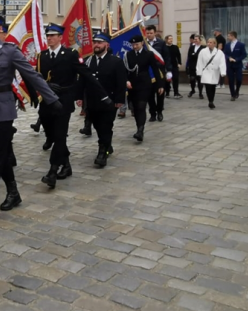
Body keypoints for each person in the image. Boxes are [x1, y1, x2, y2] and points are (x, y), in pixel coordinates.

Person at [0, 12, 59, 216]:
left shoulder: (10, 51)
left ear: (0, 29)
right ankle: (13, 193)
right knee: (2, 155)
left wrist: (51, 99)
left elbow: (31, 75)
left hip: (4, 109)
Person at [35, 23, 110, 189]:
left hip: (64, 99)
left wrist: (103, 94)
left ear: (60, 37)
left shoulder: (70, 54)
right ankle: (67, 165)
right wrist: (44, 87)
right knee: (53, 136)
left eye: (53, 36)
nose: (50, 38)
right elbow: (37, 76)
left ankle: (53, 171)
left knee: (60, 135)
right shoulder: (43, 56)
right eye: (48, 36)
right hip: (47, 101)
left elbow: (86, 74)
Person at [83, 32, 126, 168]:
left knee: (106, 126)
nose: (96, 45)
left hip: (109, 101)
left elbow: (121, 82)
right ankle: (108, 144)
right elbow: (83, 81)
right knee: (97, 126)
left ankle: (102, 152)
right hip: (92, 101)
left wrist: (119, 100)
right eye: (95, 42)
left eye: (99, 42)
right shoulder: (88, 61)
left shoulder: (116, 62)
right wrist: (79, 97)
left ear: (106, 45)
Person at [125, 35, 164, 142]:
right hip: (132, 85)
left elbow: (155, 70)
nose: (135, 46)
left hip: (145, 84)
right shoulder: (128, 54)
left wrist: (160, 85)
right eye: (133, 45)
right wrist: (126, 80)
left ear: (142, 43)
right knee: (136, 108)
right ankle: (139, 127)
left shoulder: (149, 54)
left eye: (136, 44)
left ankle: (140, 130)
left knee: (142, 106)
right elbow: (126, 70)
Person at [145, 26, 172, 122]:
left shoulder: (161, 43)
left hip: (160, 71)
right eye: (147, 33)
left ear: (155, 33)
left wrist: (169, 70)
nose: (149, 35)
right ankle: (152, 113)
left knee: (160, 93)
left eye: (151, 33)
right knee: (149, 94)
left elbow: (166, 57)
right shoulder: (144, 43)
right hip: (148, 72)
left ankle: (159, 111)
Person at [196, 37, 227, 110]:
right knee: (208, 86)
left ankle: (212, 100)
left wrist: (223, 72)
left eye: (210, 42)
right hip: (206, 72)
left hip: (214, 72)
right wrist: (199, 72)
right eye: (208, 42)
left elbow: (222, 63)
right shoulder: (203, 51)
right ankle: (210, 101)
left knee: (213, 87)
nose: (208, 44)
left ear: (214, 44)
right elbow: (199, 62)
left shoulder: (219, 52)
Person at [223, 31, 247, 101]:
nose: (228, 37)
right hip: (229, 65)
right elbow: (224, 54)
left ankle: (237, 90)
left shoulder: (241, 45)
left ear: (233, 36)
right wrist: (228, 58)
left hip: (238, 64)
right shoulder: (227, 45)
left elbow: (244, 55)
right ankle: (232, 94)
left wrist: (237, 59)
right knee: (231, 80)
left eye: (229, 36)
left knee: (239, 79)